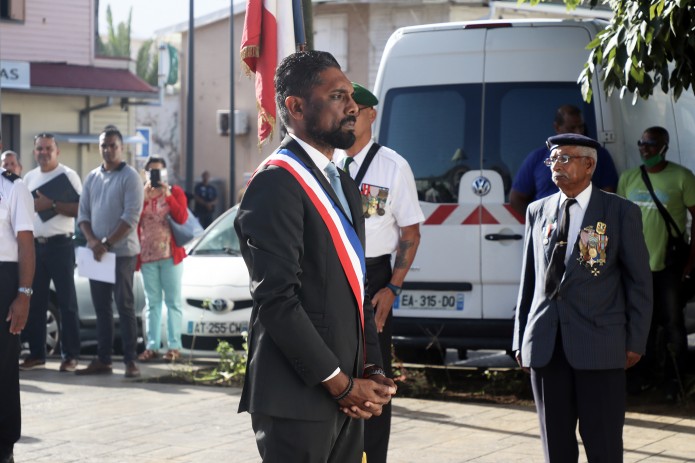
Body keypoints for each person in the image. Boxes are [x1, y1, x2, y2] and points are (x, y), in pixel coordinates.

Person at [234, 50, 397, 462]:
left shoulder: (340, 179)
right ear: (295, 105)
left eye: (353, 98)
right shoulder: (276, 183)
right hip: (299, 400)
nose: (353, 107)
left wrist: (372, 371)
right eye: (338, 96)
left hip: (347, 394)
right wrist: (341, 384)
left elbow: (357, 290)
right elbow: (277, 301)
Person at [513, 133, 652, 462]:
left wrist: (636, 341)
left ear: (589, 165)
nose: (555, 167)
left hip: (600, 345)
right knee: (556, 446)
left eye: (564, 158)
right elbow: (529, 280)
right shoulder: (538, 210)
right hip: (547, 345)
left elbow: (639, 282)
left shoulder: (618, 212)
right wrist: (521, 337)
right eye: (552, 160)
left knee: (602, 443)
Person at [333, 82, 423, 463]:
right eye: (344, 111)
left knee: (374, 373)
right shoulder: (327, 161)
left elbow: (411, 233)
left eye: (356, 112)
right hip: (334, 272)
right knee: (335, 366)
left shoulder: (393, 165)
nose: (349, 118)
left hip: (374, 277)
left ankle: (373, 456)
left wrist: (392, 288)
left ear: (371, 115)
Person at [617, 126, 695, 401]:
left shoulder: (682, 177)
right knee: (641, 325)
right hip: (636, 268)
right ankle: (640, 377)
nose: (645, 149)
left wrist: (691, 260)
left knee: (673, 323)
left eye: (651, 144)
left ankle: (675, 379)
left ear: (664, 146)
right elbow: (619, 221)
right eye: (642, 143)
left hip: (669, 266)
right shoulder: (629, 178)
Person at [75, 127, 144, 378]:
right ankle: (103, 360)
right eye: (104, 145)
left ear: (121, 147)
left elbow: (131, 217)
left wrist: (106, 243)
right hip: (96, 254)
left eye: (113, 145)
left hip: (122, 253)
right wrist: (93, 242)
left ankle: (130, 361)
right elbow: (82, 215)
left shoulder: (130, 177)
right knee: (101, 308)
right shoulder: (92, 177)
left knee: (124, 306)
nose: (108, 149)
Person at [20, 133, 82, 372]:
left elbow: (79, 208)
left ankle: (70, 356)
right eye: (39, 149)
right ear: (34, 152)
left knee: (67, 303)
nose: (43, 153)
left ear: (57, 151)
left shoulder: (68, 176)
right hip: (36, 247)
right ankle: (37, 354)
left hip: (60, 246)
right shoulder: (29, 178)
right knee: (36, 302)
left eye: (48, 148)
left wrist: (52, 205)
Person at [510, 104, 619, 215]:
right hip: (549, 227)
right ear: (557, 127)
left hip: (587, 226)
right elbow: (516, 197)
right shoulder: (537, 158)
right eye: (572, 128)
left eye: (581, 127)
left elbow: (608, 195)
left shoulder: (598, 155)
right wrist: (538, 221)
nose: (578, 133)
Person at [136, 156, 188, 363]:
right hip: (148, 257)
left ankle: (174, 346)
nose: (155, 175)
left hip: (170, 255)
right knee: (152, 303)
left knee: (173, 302)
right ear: (146, 173)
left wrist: (167, 195)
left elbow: (182, 217)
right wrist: (143, 198)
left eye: (159, 171)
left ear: (165, 173)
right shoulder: (141, 194)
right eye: (151, 171)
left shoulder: (174, 192)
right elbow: (134, 219)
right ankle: (152, 346)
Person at [0, 166, 35, 463]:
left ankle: (4, 447)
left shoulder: (14, 187)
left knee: (3, 366)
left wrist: (23, 294)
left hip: (4, 280)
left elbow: (25, 242)